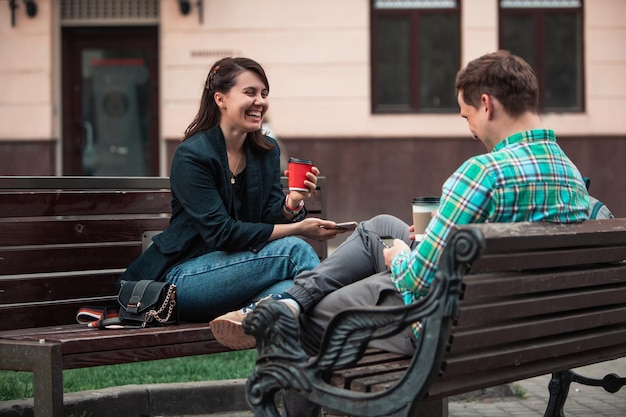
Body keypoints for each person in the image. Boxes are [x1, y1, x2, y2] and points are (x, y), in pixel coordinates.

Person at [209, 50, 600, 416]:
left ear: (486, 104)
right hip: (515, 321)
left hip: (445, 326)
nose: (471, 131)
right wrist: (428, 243)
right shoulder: (569, 174)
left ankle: (291, 309)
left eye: (467, 118)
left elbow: (417, 279)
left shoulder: (483, 173)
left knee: (314, 317)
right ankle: (291, 299)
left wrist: (402, 257)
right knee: (378, 227)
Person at [117, 57, 345, 325]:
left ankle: (285, 353)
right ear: (220, 99)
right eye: (249, 92)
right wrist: (298, 228)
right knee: (294, 251)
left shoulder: (265, 152)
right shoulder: (193, 155)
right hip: (183, 280)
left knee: (292, 293)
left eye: (264, 94)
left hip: (239, 278)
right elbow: (221, 233)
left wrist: (292, 204)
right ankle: (342, 332)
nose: (260, 101)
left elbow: (268, 215)